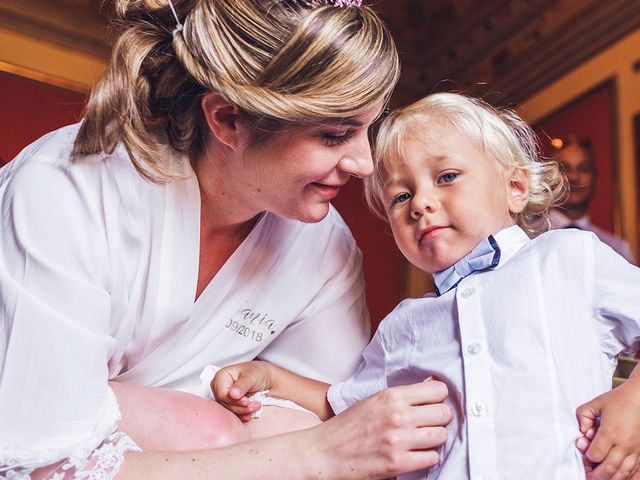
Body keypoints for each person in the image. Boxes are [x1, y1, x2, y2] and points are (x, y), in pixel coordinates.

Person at [0, 1, 452, 478]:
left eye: (369, 129)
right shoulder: (65, 189)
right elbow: (38, 462)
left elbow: (332, 413)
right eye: (335, 134)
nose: (364, 164)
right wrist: (308, 455)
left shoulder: (325, 247)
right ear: (227, 120)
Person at [213, 92, 640, 479]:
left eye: (447, 176)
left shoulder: (568, 257)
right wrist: (271, 377)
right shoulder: (404, 324)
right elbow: (346, 408)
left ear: (515, 187)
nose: (420, 203)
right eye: (401, 196)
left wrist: (633, 403)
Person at [549, 136, 635, 263]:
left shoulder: (618, 250)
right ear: (549, 177)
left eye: (583, 169)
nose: (573, 177)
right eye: (564, 169)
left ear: (596, 181)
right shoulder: (527, 237)